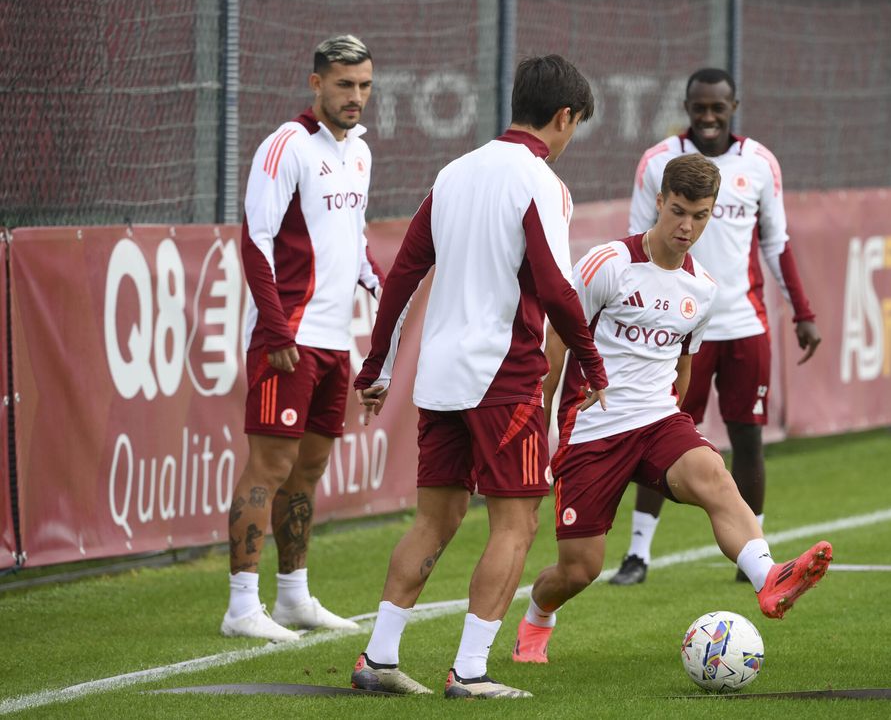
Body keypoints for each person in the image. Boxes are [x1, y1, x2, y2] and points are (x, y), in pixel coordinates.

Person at [349, 55, 609, 699]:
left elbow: (403, 275)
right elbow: (554, 285)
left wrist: (376, 365)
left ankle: (379, 659)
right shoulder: (540, 181)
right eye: (575, 125)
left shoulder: (454, 173)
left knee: (432, 521)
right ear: (564, 116)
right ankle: (470, 670)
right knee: (515, 525)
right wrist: (591, 359)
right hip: (505, 377)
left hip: (439, 376)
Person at [512, 153, 832, 665]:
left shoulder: (703, 288)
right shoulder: (608, 264)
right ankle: (536, 618)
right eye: (678, 211)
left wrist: (675, 428)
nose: (686, 226)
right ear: (658, 202)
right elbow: (556, 345)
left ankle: (769, 578)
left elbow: (682, 364)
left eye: (700, 215)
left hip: (658, 421)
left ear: (712, 213)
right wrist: (539, 429)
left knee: (713, 475)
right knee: (579, 570)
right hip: (593, 429)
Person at [609, 68, 821, 586]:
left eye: (717, 108)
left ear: (734, 106)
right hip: (674, 327)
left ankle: (757, 556)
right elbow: (636, 239)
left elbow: (777, 243)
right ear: (686, 105)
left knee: (748, 438)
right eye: (698, 107)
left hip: (744, 324)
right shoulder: (658, 162)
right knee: (657, 435)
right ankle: (637, 554)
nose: (707, 117)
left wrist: (804, 312)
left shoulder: (760, 164)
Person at [221, 35, 382, 642]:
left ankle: (292, 597)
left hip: (334, 341)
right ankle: (241, 606)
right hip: (287, 338)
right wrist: (275, 324)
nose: (356, 97)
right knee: (269, 464)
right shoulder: (285, 146)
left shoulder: (359, 153)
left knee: (309, 470)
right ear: (316, 84)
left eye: (364, 85)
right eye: (345, 85)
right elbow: (255, 239)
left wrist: (380, 288)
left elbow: (355, 239)